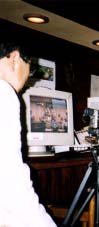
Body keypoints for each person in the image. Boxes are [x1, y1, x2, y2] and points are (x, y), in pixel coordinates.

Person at [0, 40, 57, 226]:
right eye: (30, 69)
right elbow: (11, 181)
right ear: (15, 59)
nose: (28, 78)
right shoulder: (5, 94)